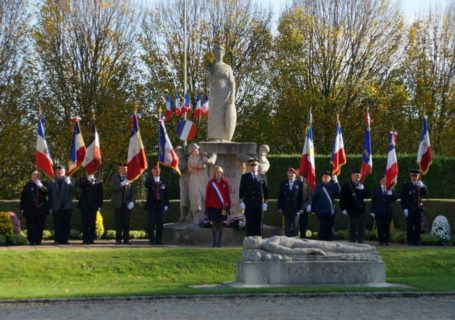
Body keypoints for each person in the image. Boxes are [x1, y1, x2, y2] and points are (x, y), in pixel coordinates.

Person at [207, 44, 236, 141]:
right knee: (214, 114)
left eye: (221, 51)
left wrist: (232, 94)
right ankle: (214, 136)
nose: (219, 53)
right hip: (214, 94)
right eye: (217, 51)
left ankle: (224, 136)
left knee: (224, 113)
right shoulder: (211, 67)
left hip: (225, 94)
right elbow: (209, 81)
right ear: (215, 53)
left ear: (223, 53)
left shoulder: (228, 67)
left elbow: (232, 82)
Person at [239, 158, 269, 237]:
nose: (253, 167)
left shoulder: (262, 176)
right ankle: (250, 240)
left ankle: (258, 240)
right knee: (250, 222)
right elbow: (242, 189)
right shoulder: (245, 176)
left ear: (258, 166)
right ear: (250, 166)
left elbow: (265, 190)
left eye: (255, 165)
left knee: (258, 222)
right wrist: (241, 201)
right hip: (248, 203)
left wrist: (266, 202)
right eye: (252, 165)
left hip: (259, 203)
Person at [340, 170, 370, 243]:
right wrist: (343, 208)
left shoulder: (362, 185)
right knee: (352, 226)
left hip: (360, 209)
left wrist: (363, 189)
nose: (357, 177)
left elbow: (368, 195)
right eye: (356, 176)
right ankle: (352, 240)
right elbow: (342, 198)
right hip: (351, 209)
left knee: (361, 226)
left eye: (359, 176)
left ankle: (361, 240)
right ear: (352, 176)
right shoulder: (347, 185)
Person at [48, 165, 75, 244]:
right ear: (56, 173)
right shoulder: (51, 181)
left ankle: (65, 240)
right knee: (57, 224)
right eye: (58, 171)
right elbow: (49, 195)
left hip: (67, 206)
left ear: (64, 172)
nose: (60, 172)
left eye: (61, 171)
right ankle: (57, 240)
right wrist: (50, 206)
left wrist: (69, 182)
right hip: (56, 207)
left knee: (66, 224)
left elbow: (73, 189)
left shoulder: (71, 179)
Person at [20, 170, 49, 245]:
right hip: (30, 211)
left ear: (39, 176)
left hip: (41, 210)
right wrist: (22, 208)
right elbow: (23, 198)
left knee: (40, 227)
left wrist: (40, 185)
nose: (36, 176)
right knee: (30, 227)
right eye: (34, 175)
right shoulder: (27, 185)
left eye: (37, 175)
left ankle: (38, 241)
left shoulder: (43, 184)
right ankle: (31, 241)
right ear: (31, 176)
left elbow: (47, 192)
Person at [205, 166, 231, 247]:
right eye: (217, 172)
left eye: (220, 172)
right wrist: (206, 207)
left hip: (222, 207)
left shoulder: (225, 183)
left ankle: (220, 242)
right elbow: (207, 196)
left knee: (220, 224)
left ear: (222, 174)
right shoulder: (211, 183)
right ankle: (214, 242)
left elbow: (228, 195)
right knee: (214, 224)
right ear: (214, 174)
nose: (218, 174)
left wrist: (229, 206)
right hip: (213, 207)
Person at [110, 163, 136, 244]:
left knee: (126, 222)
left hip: (127, 204)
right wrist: (121, 184)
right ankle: (118, 240)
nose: (125, 170)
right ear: (119, 169)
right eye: (123, 169)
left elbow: (133, 191)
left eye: (126, 169)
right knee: (118, 222)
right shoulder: (114, 177)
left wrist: (132, 201)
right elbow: (112, 188)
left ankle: (126, 239)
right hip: (118, 203)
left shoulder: (130, 177)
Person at [310, 171, 340, 241]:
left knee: (329, 228)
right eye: (324, 177)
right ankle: (322, 242)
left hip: (330, 211)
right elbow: (314, 198)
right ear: (322, 178)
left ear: (330, 178)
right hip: (321, 211)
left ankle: (329, 243)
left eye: (327, 177)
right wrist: (313, 209)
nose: (325, 178)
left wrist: (336, 182)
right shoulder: (318, 186)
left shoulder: (333, 186)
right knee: (322, 228)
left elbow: (338, 193)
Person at [401, 169, 428, 245]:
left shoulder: (420, 185)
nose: (414, 177)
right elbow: (403, 198)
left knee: (418, 225)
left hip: (418, 209)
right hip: (409, 209)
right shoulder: (406, 185)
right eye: (413, 175)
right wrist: (404, 208)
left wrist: (423, 186)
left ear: (418, 176)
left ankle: (417, 241)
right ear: (410, 176)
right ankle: (410, 241)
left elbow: (426, 193)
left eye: (416, 175)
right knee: (410, 226)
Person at [144, 165, 169, 245]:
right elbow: (146, 185)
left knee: (160, 223)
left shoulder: (164, 180)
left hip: (161, 205)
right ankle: (152, 240)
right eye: (155, 170)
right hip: (152, 205)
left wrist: (166, 204)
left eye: (158, 170)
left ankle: (159, 240)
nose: (157, 171)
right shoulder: (149, 179)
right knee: (151, 223)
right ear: (152, 171)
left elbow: (166, 194)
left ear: (160, 171)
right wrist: (155, 181)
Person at [277, 167, 305, 237]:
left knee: (295, 226)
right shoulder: (283, 183)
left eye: (292, 173)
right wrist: (279, 207)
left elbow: (302, 197)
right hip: (286, 208)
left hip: (295, 209)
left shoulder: (299, 183)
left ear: (295, 175)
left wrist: (301, 208)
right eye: (289, 173)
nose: (290, 175)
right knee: (287, 226)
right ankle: (287, 241)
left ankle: (295, 241)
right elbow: (280, 197)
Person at [370, 175, 397, 246]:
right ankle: (381, 241)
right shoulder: (376, 189)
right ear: (380, 181)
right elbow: (373, 201)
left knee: (387, 227)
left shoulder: (391, 189)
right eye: (384, 180)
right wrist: (372, 211)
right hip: (379, 211)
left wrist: (391, 193)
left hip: (388, 211)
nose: (386, 181)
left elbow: (395, 198)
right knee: (380, 227)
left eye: (386, 180)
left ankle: (387, 241)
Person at [78, 173, 103, 244]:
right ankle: (85, 239)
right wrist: (88, 179)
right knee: (85, 223)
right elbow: (81, 186)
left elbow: (100, 194)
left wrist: (100, 205)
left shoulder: (98, 181)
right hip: (84, 205)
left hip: (94, 205)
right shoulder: (83, 179)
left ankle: (91, 239)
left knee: (92, 223)